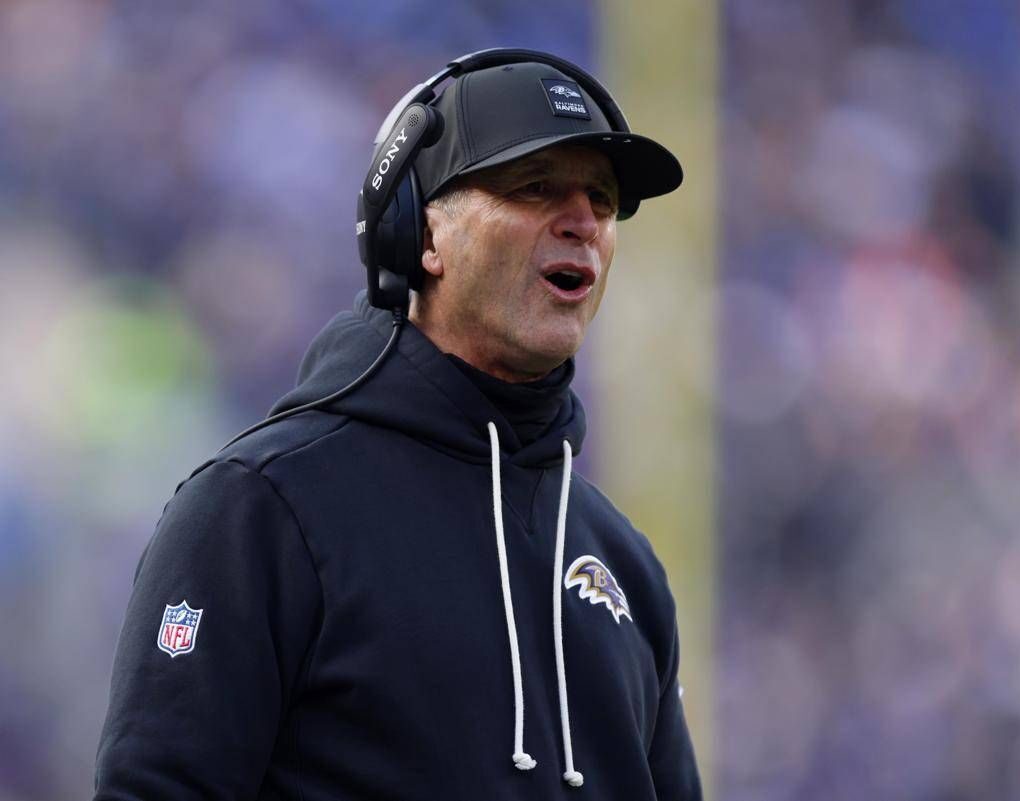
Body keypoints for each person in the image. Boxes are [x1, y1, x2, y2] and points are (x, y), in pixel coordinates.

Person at [93, 52, 702, 800]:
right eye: (534, 187)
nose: (582, 223)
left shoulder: (626, 567)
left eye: (602, 201)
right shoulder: (261, 510)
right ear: (421, 235)